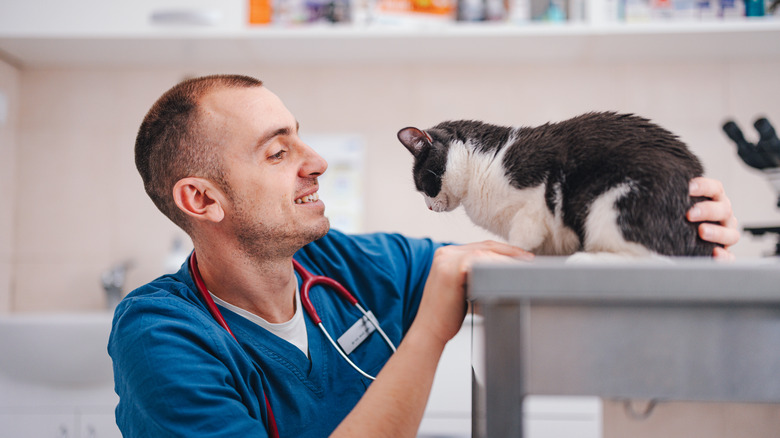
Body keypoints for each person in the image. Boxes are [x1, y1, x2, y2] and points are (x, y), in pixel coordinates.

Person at [109, 74, 740, 438]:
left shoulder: (348, 268)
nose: (317, 162)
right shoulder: (160, 335)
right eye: (278, 153)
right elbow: (448, 284)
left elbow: (524, 267)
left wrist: (670, 233)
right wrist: (436, 318)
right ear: (201, 198)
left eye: (301, 138)